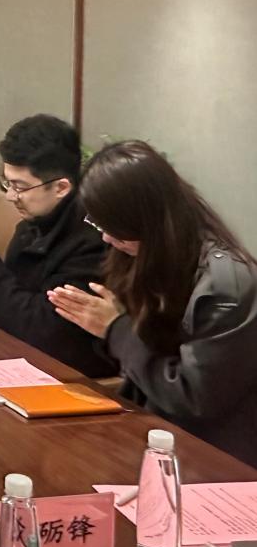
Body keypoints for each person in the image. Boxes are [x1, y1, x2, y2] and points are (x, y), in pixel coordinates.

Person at [49, 141, 257, 463]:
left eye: (114, 227)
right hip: (151, 431)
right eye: (99, 224)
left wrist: (116, 329)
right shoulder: (147, 252)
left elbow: (193, 397)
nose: (106, 237)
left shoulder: (226, 286)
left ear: (145, 220)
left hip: (211, 456)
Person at [0, 115, 114, 376]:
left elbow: (42, 330)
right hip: (11, 354)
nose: (10, 196)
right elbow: (0, 307)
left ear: (61, 187)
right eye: (7, 183)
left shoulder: (92, 241)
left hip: (63, 375)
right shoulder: (33, 225)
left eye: (19, 187)